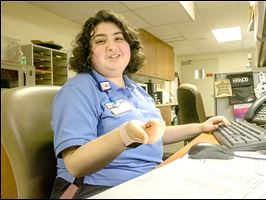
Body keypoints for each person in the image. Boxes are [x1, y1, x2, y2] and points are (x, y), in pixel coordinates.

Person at [50, 10, 230, 199]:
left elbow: (155, 134)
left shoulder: (136, 89)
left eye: (119, 39)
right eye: (100, 41)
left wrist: (201, 127)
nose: (112, 47)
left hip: (147, 178)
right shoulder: (79, 89)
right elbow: (75, 165)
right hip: (96, 187)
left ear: (130, 46)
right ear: (88, 52)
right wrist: (123, 136)